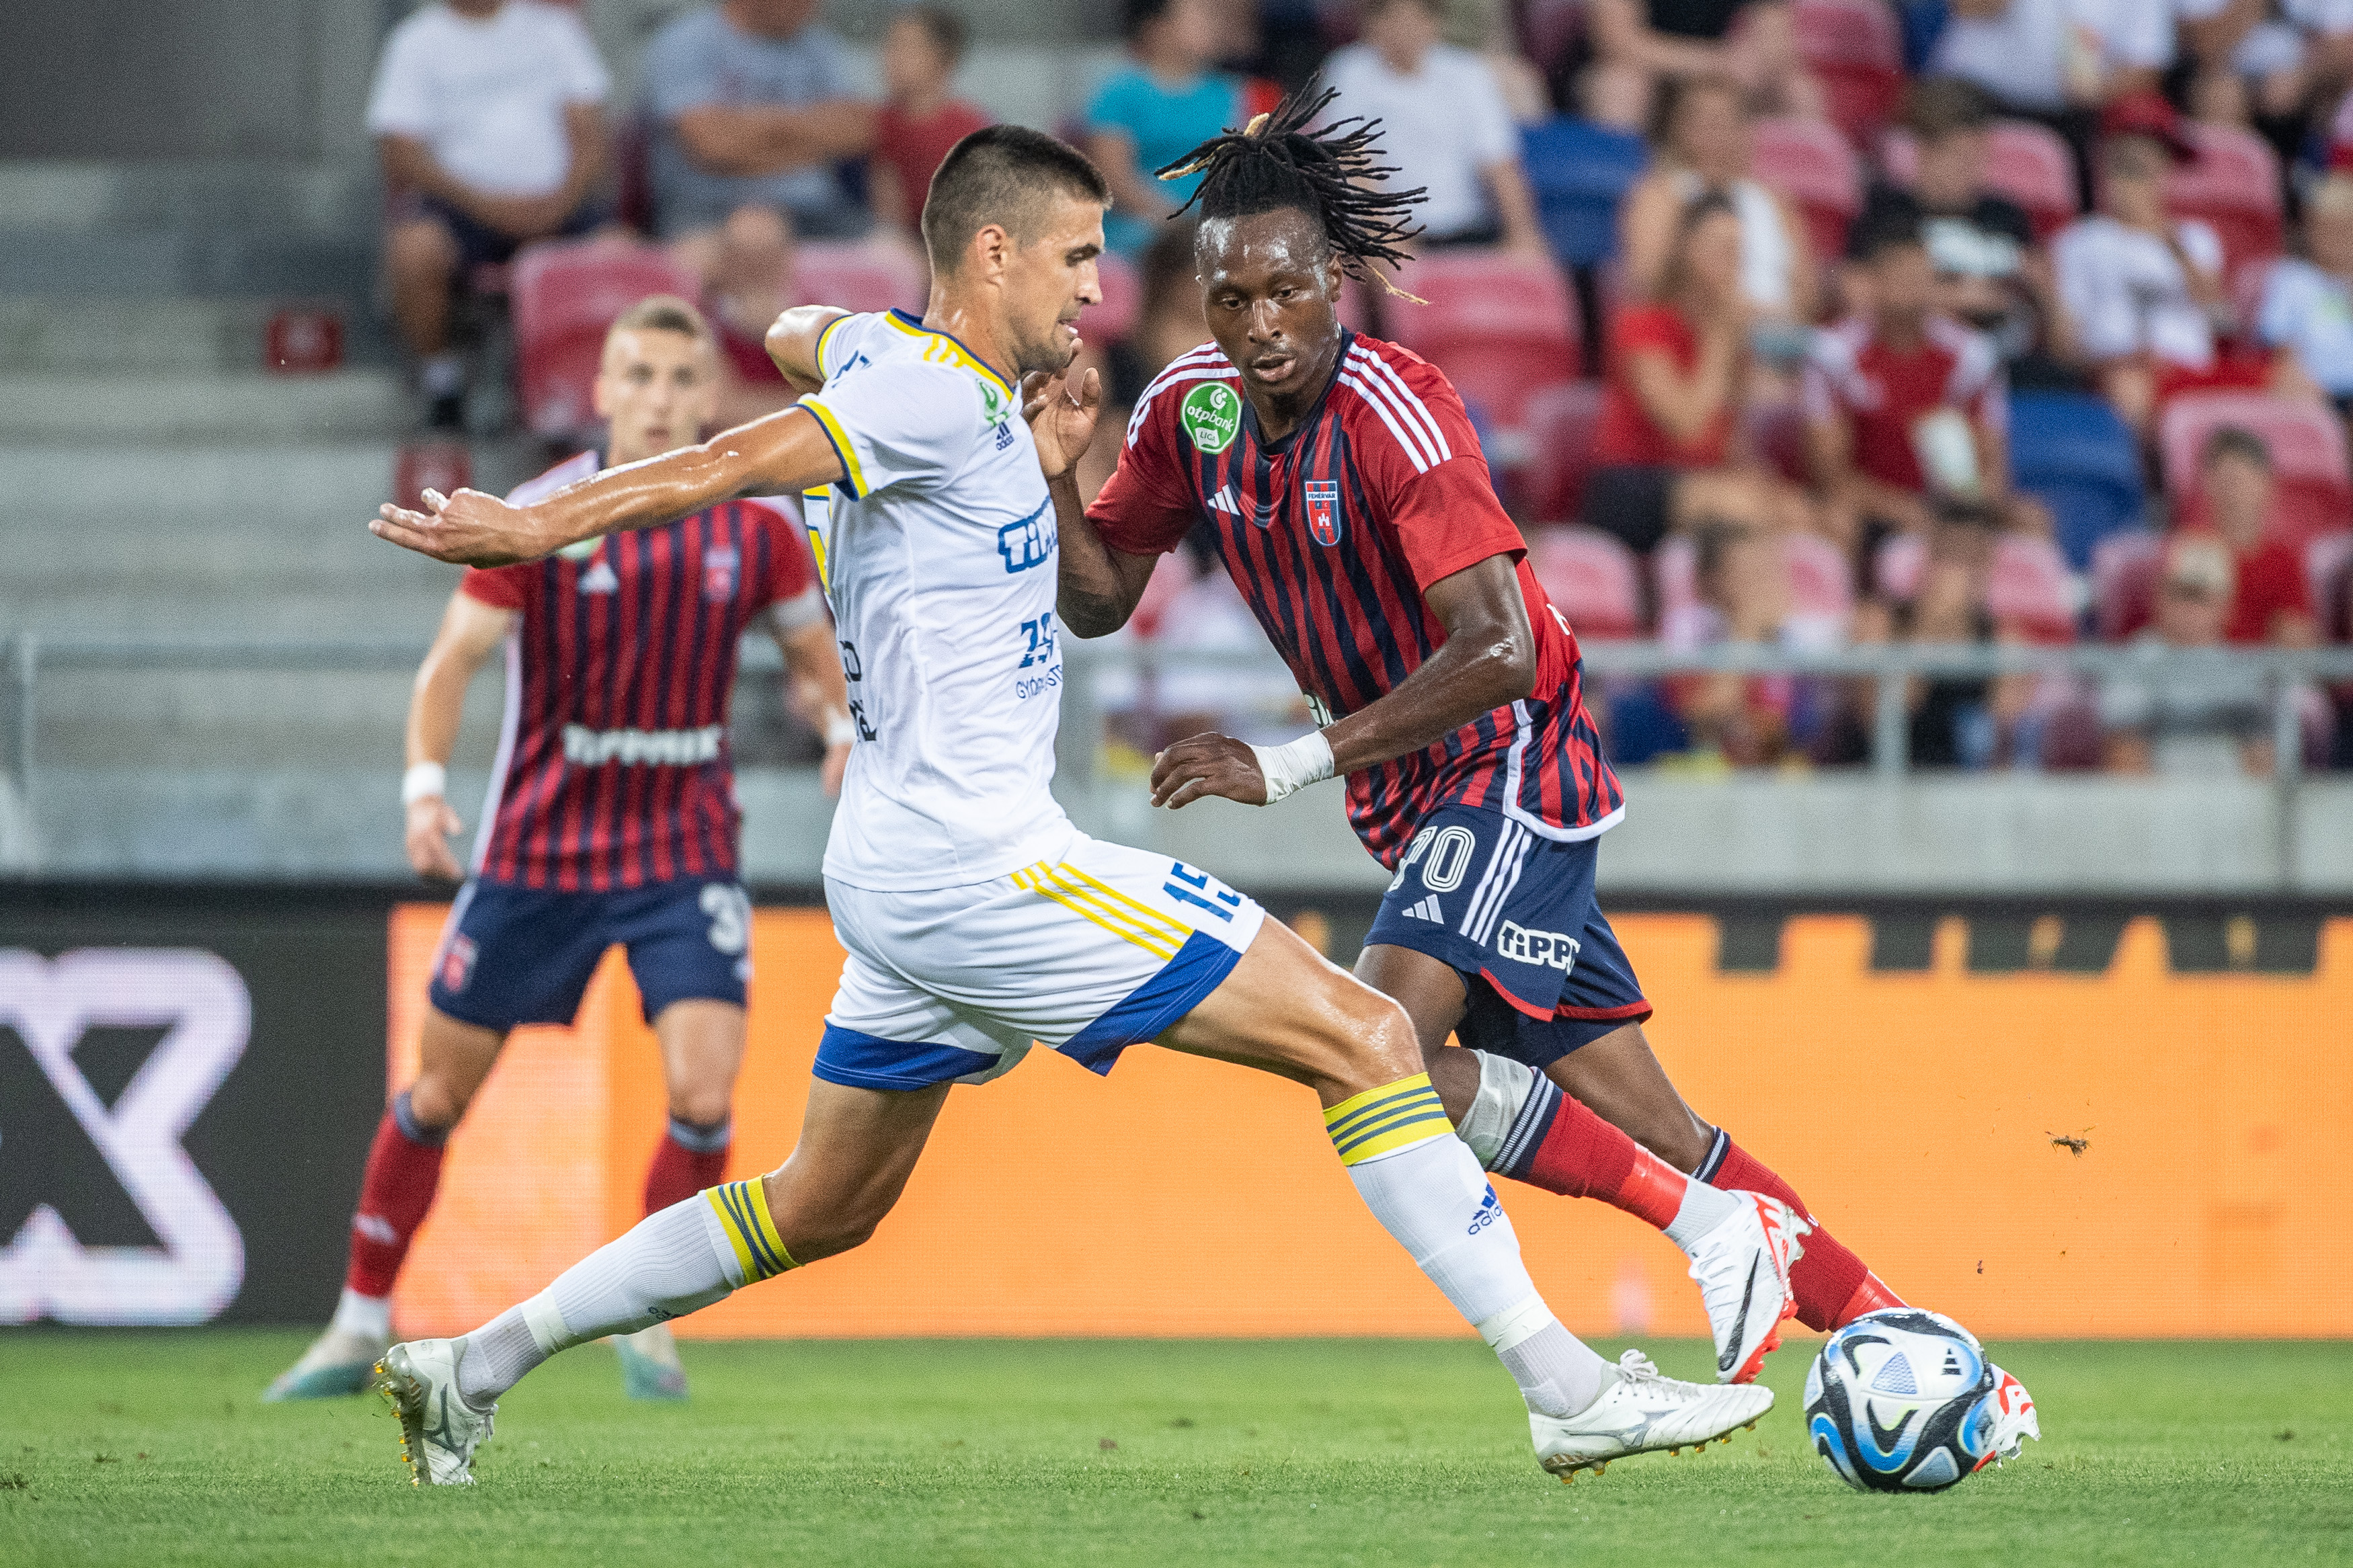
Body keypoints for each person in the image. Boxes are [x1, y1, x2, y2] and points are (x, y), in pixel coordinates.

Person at [364, 124, 1778, 1488]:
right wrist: (537, 524)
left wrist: (834, 334)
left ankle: (471, 1362)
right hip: (989, 863)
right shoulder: (926, 397)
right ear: (994, 253)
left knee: (819, 1203)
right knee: (1365, 1036)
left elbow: (805, 335)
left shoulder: (904, 366)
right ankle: (1569, 1388)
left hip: (896, 867)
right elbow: (734, 461)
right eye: (1077, 257)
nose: (1099, 292)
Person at [1070, 87, 2038, 1454]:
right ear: (1202, 305)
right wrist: (1050, 468)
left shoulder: (1398, 411)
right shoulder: (1190, 413)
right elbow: (1101, 596)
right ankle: (1941, 1354)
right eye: (1231, 299)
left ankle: (1687, 1247)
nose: (1262, 321)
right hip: (1412, 798)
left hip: (1508, 756)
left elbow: (1501, 649)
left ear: (1334, 278)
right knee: (1659, 1119)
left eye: (1286, 288)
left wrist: (1285, 764)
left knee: (1383, 1049)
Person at [266, 296, 851, 1408]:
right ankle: (356, 1321)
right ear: (603, 389)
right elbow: (452, 660)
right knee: (437, 1093)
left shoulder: (755, 529)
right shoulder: (539, 515)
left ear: (709, 395)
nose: (660, 399)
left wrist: (834, 729)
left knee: (704, 1091)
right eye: (640, 375)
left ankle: (649, 1320)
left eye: (681, 379)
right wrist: (424, 791)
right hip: (538, 851)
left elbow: (812, 651)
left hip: (683, 848)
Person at [364, 0, 612, 431]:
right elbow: (399, 153)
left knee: (622, 250)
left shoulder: (554, 30)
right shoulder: (416, 40)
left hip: (558, 209)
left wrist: (557, 204)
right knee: (413, 251)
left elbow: (591, 135)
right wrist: (488, 205)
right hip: (461, 210)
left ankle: (595, 395)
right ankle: (442, 385)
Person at [2052, 92, 2305, 434]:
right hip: (2123, 371)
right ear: (2107, 168)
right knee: (2130, 388)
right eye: (2128, 165)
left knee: (2293, 377)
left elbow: (2221, 321)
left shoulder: (2195, 238)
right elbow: (2067, 346)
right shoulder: (2081, 240)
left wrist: (2169, 241)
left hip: (2192, 369)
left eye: (2152, 165)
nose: (2140, 178)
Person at [1588, 192, 1819, 554]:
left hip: (1701, 481)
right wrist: (1720, 336)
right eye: (1721, 248)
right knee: (1741, 508)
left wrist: (1759, 480)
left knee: (1798, 512)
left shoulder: (1728, 337)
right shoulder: (1642, 325)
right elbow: (1686, 427)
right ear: (1685, 251)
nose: (1732, 263)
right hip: (1632, 483)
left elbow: (1727, 434)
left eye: (1737, 252)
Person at [1804, 213, 2048, 549]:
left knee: (2031, 518)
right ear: (1872, 282)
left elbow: (1992, 462)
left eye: (1922, 276)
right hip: (1872, 509)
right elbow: (1830, 475)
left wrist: (1970, 506)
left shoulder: (1971, 354)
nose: (1914, 288)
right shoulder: (1834, 354)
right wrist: (1904, 511)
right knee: (1836, 517)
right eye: (1902, 277)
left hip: (1949, 504)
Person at [1853, 79, 2079, 382]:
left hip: (2009, 365)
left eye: (1980, 156)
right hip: (1920, 364)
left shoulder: (2005, 214)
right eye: (1960, 157)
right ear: (1926, 153)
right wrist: (1960, 299)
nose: (1973, 169)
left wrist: (2046, 293)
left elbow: (2052, 315)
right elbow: (1858, 294)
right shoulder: (1887, 212)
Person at [645, 0, 877, 267]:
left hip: (817, 209)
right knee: (747, 249)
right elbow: (713, 146)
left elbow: (855, 132)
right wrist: (811, 133)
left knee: (895, 257)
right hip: (710, 211)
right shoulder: (687, 42)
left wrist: (751, 129)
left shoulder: (820, 46)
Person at [1320, 0, 1546, 252]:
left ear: (1435, 22)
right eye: (1393, 18)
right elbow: (1354, 166)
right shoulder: (1350, 71)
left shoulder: (1468, 71)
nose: (1405, 29)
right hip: (1387, 233)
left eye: (1416, 18)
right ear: (1372, 24)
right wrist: (1388, 239)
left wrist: (1523, 235)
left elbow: (1499, 164)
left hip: (1470, 232)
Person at [1619, 75, 1819, 333]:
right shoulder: (1658, 195)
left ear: (1745, 129)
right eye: (1701, 121)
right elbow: (1648, 279)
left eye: (1724, 121)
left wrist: (1770, 317)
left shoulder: (1776, 199)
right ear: (1679, 128)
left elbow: (1807, 290)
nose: (1713, 132)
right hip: (1691, 328)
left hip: (1773, 331)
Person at [1085, 0, 1252, 256]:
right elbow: (1114, 179)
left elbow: (1242, 169)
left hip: (1213, 225)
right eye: (1197, 15)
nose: (1211, 23)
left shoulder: (1229, 93)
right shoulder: (1120, 93)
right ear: (1158, 27)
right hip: (1140, 231)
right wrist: (1175, 219)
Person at [2100, 534, 2278, 774]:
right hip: (2158, 794)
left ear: (2226, 606)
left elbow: (2261, 764)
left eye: (2201, 597)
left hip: (2231, 795)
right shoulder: (2134, 662)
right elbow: (2125, 759)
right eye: (2181, 593)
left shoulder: (2240, 669)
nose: (2189, 609)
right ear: (2159, 597)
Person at [1583, 0, 1823, 133]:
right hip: (1647, 72)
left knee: (1799, 93)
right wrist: (1715, 62)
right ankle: (1615, 195)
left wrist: (1752, 62)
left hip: (1715, 73)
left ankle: (1781, 203)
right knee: (1619, 87)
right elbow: (1617, 43)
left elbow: (1776, 45)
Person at [2189, 425, 2321, 646]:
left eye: (2239, 479)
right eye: (2223, 479)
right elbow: (2179, 633)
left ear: (2267, 484)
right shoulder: (2190, 552)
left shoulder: (2283, 562)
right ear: (2207, 484)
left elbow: (2299, 641)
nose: (2232, 491)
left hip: (2265, 666)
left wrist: (2293, 635)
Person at [868, 5, 993, 237]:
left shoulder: (968, 127)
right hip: (904, 240)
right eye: (890, 46)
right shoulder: (884, 123)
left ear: (945, 60)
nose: (893, 58)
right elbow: (888, 209)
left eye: (907, 48)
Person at [2257, 174, 2353, 414]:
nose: (2336, 238)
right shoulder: (2291, 279)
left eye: (2345, 228)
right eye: (2327, 228)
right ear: (2311, 229)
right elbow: (2282, 351)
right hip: (2320, 397)